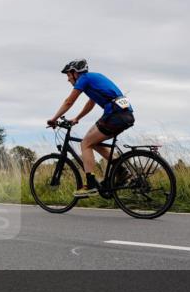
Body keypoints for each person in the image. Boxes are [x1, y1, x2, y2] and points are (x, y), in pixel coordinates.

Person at [47, 59, 135, 197]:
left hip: (115, 115)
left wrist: (53, 119)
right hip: (125, 115)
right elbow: (91, 103)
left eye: (68, 75)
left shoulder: (84, 79)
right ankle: (121, 170)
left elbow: (69, 101)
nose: (68, 79)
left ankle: (90, 184)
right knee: (93, 142)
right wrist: (77, 118)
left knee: (85, 143)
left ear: (75, 73)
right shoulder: (94, 78)